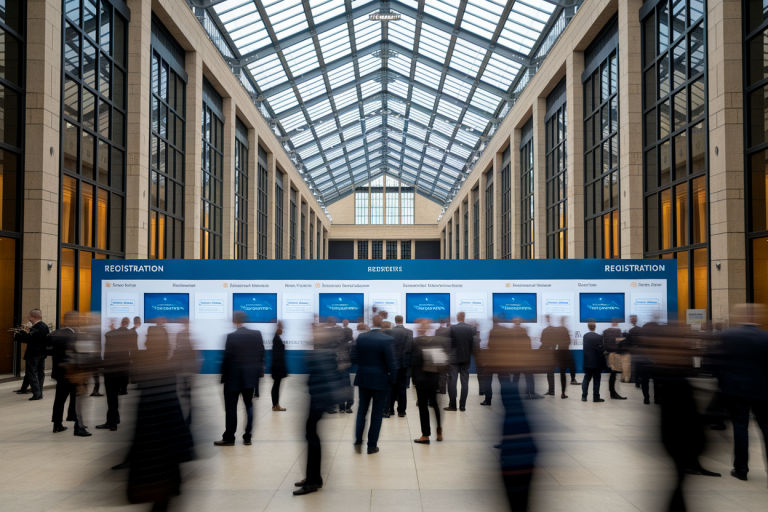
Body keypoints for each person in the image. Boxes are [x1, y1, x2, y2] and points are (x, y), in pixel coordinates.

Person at [127, 321, 194, 511]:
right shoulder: (167, 367)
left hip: (150, 439)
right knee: (164, 494)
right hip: (166, 439)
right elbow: (173, 409)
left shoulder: (145, 367)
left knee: (157, 492)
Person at [718, 304, 768, 482]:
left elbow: (718, 362)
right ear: (758, 317)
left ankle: (741, 469)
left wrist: (723, 383)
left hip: (735, 390)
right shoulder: (765, 337)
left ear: (741, 316)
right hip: (762, 390)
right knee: (766, 429)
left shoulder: (728, 335)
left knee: (740, 428)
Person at [293, 321, 340, 496]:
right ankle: (314, 477)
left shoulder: (320, 353)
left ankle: (312, 481)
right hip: (318, 399)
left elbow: (325, 378)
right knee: (311, 435)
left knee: (311, 437)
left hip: (318, 399)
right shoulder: (325, 352)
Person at [215, 311, 265, 446]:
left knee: (231, 408)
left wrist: (222, 378)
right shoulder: (257, 334)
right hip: (250, 378)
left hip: (233, 379)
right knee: (248, 405)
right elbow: (261, 355)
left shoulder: (231, 337)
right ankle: (247, 436)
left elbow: (227, 358)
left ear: (234, 321)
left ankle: (229, 438)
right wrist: (257, 375)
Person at [351, 314, 397, 454]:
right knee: (377, 414)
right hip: (381, 380)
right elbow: (392, 364)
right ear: (383, 323)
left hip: (364, 379)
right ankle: (372, 446)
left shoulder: (361, 337)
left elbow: (354, 358)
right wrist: (392, 381)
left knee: (362, 411)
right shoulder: (387, 339)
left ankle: (358, 440)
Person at [412, 320, 448, 443]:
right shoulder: (436, 341)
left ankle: (425, 435)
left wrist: (413, 379)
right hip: (433, 378)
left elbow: (413, 361)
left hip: (421, 379)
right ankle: (439, 429)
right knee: (435, 405)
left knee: (423, 406)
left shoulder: (416, 342)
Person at [97, 317, 136, 431]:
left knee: (111, 397)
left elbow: (106, 353)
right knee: (115, 397)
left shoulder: (110, 334)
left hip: (110, 370)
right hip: (123, 370)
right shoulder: (130, 335)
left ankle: (112, 422)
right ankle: (112, 420)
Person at [48, 312, 79, 433]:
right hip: (72, 372)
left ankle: (57, 424)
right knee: (76, 397)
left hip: (60, 372)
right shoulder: (74, 335)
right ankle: (76, 420)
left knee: (59, 399)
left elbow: (47, 348)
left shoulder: (55, 334)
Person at [14, 309, 50, 400]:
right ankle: (38, 392)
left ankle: (37, 394)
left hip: (34, 354)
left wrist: (18, 335)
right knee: (39, 373)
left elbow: (30, 339)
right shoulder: (43, 326)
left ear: (33, 316)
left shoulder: (38, 326)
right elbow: (33, 337)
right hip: (41, 354)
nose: (28, 317)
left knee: (32, 374)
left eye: (29, 316)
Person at [445, 312, 477, 411]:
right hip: (466, 358)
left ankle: (452, 405)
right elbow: (474, 345)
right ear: (464, 317)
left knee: (452, 382)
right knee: (465, 382)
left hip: (454, 359)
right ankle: (462, 406)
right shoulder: (471, 329)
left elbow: (448, 344)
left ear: (458, 318)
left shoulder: (452, 328)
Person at [384, 315, 413, 418]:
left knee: (391, 387)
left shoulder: (389, 332)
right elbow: (409, 349)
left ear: (395, 321)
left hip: (392, 364)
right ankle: (401, 411)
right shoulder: (409, 332)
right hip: (404, 364)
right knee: (402, 388)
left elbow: (388, 348)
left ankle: (390, 409)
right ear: (402, 321)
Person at [509, 317, 543, 399]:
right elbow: (528, 346)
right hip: (524, 360)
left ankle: (514, 393)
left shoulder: (511, 333)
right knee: (529, 376)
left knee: (516, 378)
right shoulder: (523, 332)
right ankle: (530, 393)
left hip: (516, 360)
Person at [602, 318, 627, 400]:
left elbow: (604, 344)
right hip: (615, 355)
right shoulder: (618, 332)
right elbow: (620, 344)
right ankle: (613, 393)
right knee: (614, 374)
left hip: (608, 355)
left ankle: (612, 392)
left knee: (613, 374)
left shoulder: (605, 331)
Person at [581, 321, 605, 402]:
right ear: (595, 326)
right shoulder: (599, 337)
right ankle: (596, 397)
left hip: (587, 361)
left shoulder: (585, 336)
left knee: (586, 378)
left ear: (588, 327)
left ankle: (584, 396)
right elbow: (600, 350)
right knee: (597, 380)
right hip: (597, 362)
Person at [539, 315, 559, 397]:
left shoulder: (545, 331)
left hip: (547, 355)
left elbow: (542, 342)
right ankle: (551, 390)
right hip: (553, 354)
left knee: (549, 373)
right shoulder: (555, 330)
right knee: (551, 373)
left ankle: (551, 390)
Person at [271, 321, 288, 411]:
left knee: (276, 385)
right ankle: (275, 405)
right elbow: (277, 355)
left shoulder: (277, 338)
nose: (282, 330)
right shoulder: (276, 339)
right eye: (281, 328)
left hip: (277, 367)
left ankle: (276, 404)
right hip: (277, 368)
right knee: (276, 386)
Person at [435, 318, 451, 394]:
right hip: (447, 352)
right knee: (444, 372)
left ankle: (440, 388)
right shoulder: (448, 331)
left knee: (440, 372)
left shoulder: (437, 331)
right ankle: (443, 389)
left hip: (439, 352)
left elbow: (436, 342)